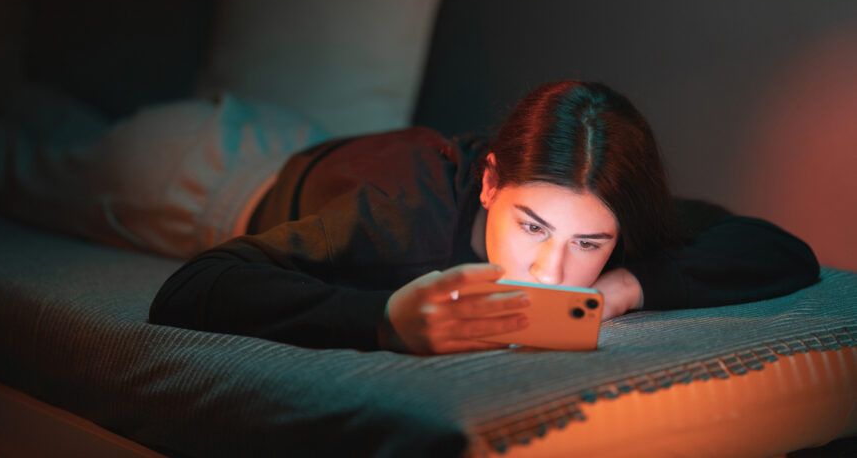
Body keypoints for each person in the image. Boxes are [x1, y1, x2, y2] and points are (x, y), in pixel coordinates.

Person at [148, 80, 820, 354]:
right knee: (51, 145)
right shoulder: (399, 214)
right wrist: (381, 322)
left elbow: (778, 249)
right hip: (216, 174)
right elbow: (190, 288)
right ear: (493, 182)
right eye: (533, 227)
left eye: (588, 243)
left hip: (350, 152)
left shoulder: (606, 207)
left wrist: (623, 287)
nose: (553, 272)